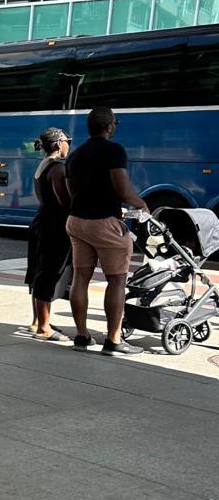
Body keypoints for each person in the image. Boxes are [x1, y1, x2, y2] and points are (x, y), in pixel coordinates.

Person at [65, 107, 148, 355]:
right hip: (104, 222)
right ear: (110, 126)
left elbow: (71, 191)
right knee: (117, 281)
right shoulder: (114, 150)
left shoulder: (75, 155)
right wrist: (141, 205)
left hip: (76, 220)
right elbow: (122, 189)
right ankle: (113, 340)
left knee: (80, 278)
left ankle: (82, 336)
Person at [24, 128, 71, 341]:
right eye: (67, 141)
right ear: (59, 143)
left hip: (41, 222)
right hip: (55, 226)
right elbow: (65, 201)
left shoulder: (42, 165)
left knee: (39, 272)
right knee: (49, 274)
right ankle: (44, 328)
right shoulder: (57, 168)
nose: (69, 145)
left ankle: (38, 321)